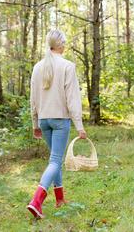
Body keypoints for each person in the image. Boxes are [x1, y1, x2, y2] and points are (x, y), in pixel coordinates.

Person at [27, 29, 87, 219]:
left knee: (55, 159)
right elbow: (73, 99)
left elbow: (33, 99)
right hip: (60, 120)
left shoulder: (37, 67)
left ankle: (60, 199)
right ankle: (37, 201)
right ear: (60, 44)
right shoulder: (68, 66)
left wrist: (35, 123)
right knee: (55, 161)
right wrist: (80, 125)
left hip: (44, 120)